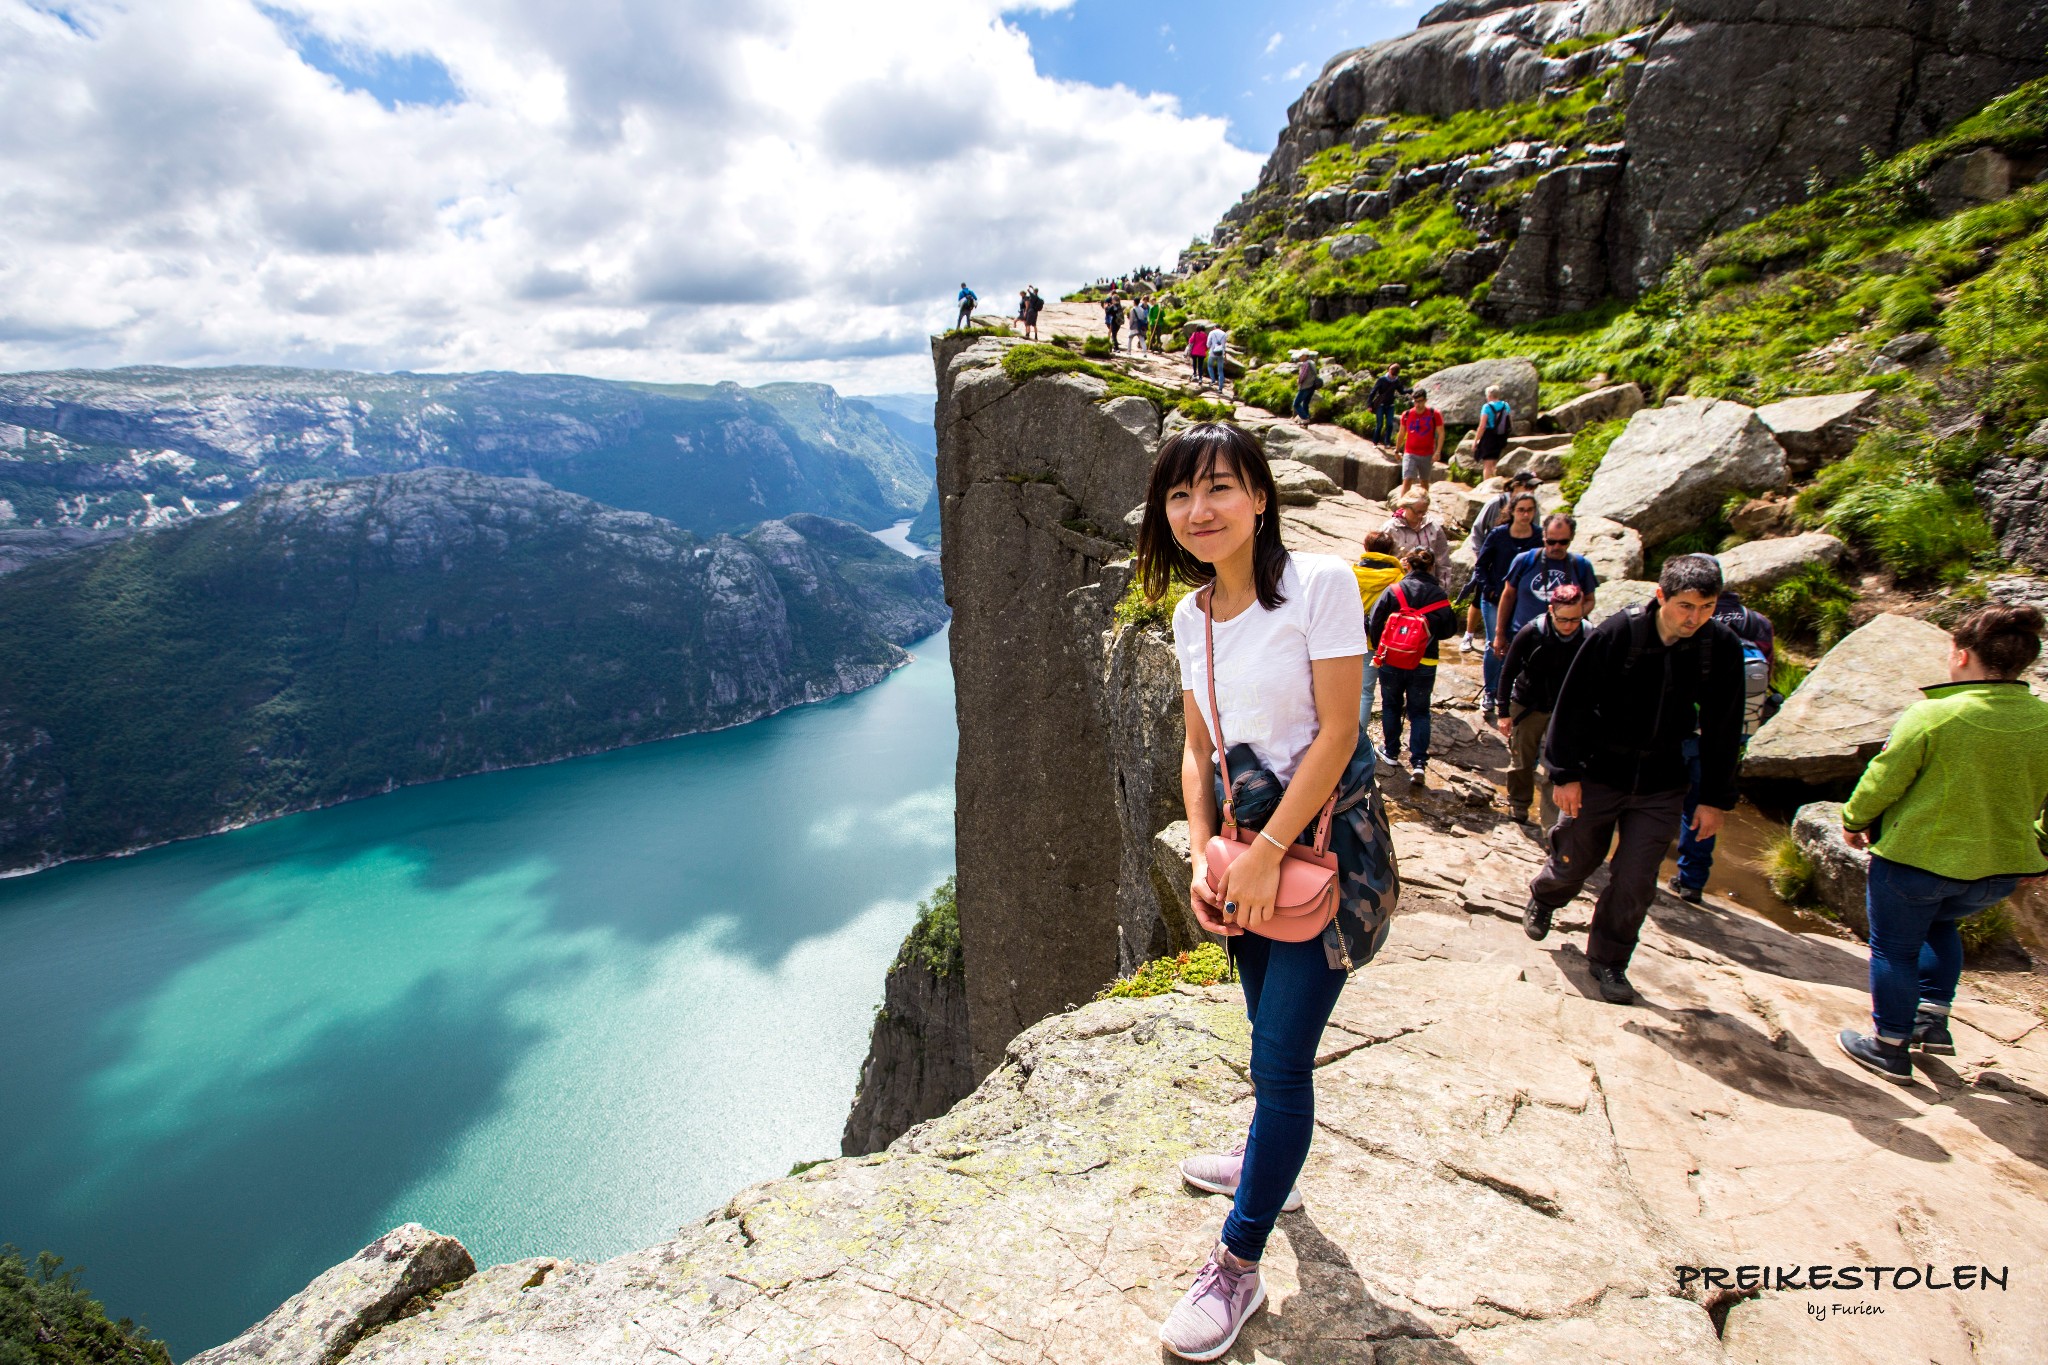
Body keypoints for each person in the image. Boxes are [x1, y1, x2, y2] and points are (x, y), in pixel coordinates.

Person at [1133, 422, 1393, 1362]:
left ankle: (1238, 1260)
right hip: (1244, 861)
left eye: (1218, 488)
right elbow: (1198, 750)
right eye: (1178, 496)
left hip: (1325, 853)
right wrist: (1207, 848)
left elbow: (1337, 735)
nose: (1198, 510)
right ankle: (1260, 1161)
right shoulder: (1190, 616)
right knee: (1260, 1032)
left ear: (1260, 496)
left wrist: (1266, 850)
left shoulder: (1318, 587)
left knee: (1282, 1059)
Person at [1833, 605, 2048, 1082]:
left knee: (1893, 949)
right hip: (1994, 876)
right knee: (1940, 927)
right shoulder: (2044, 721)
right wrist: (2043, 846)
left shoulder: (1934, 715)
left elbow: (1883, 780)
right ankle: (1932, 1024)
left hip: (1916, 864)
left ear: (1963, 655)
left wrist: (1853, 820)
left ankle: (1889, 1046)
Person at [1522, 554, 1747, 1004]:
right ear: (1660, 595)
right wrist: (1564, 774)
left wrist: (1715, 799)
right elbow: (1574, 704)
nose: (1695, 618)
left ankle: (1609, 960)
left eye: (1706, 608)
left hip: (1663, 782)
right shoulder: (1618, 633)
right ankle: (1546, 896)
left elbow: (1726, 726)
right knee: (1578, 856)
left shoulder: (1718, 646)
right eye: (1686, 606)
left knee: (1636, 878)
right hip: (1599, 772)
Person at [1667, 586, 1778, 903]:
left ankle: (1645, 859)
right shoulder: (1759, 623)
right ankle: (1692, 881)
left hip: (1690, 725)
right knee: (1704, 802)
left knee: (1664, 792)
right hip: (1734, 730)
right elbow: (1768, 670)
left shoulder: (1697, 617)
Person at [1494, 582, 1589, 825]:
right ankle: (1519, 804)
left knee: (1553, 769)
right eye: (1563, 619)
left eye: (1575, 620)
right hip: (1527, 706)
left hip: (1565, 713)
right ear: (1551, 610)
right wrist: (1503, 712)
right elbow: (1508, 671)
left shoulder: (1588, 635)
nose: (1569, 626)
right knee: (1522, 762)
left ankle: (1551, 826)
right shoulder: (1531, 632)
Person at [1368, 547, 1459, 785]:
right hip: (1424, 661)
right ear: (1431, 567)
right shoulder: (1439, 595)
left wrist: (1383, 648)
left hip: (1392, 659)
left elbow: (1374, 620)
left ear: (1407, 564)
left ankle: (1391, 752)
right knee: (1420, 711)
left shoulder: (1395, 590)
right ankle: (1418, 763)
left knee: (1391, 705)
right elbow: (1449, 630)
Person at [1468, 490, 1542, 723]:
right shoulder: (1499, 535)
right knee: (1495, 645)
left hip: (1523, 601)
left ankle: (1510, 689)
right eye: (1521, 510)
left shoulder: (1539, 537)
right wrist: (1488, 589)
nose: (1526, 514)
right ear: (1512, 511)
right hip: (1494, 599)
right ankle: (1491, 692)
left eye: (1530, 510)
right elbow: (1481, 565)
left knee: (1519, 646)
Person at [1459, 470, 1541, 652]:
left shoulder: (1533, 508)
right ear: (1515, 485)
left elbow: (1536, 532)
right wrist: (1481, 556)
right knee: (1480, 597)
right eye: (1528, 486)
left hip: (1519, 567)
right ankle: (1469, 634)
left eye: (1534, 487)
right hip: (1492, 560)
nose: (1531, 490)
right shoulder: (1496, 503)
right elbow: (1478, 529)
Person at [1493, 514, 1598, 648]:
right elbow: (1508, 596)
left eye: (1563, 542)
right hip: (1525, 637)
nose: (1556, 547)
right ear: (1543, 536)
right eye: (1551, 541)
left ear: (1571, 538)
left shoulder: (1581, 565)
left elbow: (1590, 600)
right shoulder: (1524, 560)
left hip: (1567, 640)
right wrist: (1499, 634)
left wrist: (1570, 617)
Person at [1352, 530, 1404, 728]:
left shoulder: (1353, 572)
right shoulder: (1398, 576)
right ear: (1390, 550)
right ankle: (1378, 742)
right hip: (1387, 640)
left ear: (1366, 548)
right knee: (1380, 693)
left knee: (1360, 691)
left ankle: (1356, 740)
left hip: (1359, 637)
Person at [1381, 491, 1450, 567]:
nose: (1420, 516)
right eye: (1417, 512)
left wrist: (1442, 579)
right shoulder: (1389, 528)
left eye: (1424, 512)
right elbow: (1378, 560)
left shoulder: (1434, 528)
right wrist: (1397, 565)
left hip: (1427, 578)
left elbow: (1443, 562)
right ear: (1405, 506)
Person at [1398, 388, 1443, 496]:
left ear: (1425, 400)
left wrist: (1438, 451)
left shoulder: (1434, 414)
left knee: (1424, 482)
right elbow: (1402, 433)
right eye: (1415, 401)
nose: (1418, 404)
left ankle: (1423, 509)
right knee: (1407, 479)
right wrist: (1397, 449)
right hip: (1410, 452)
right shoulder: (1407, 414)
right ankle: (1402, 508)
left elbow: (1441, 433)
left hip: (1427, 453)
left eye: (1420, 401)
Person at [1475, 385, 1514, 482]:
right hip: (1501, 436)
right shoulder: (1505, 405)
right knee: (1494, 463)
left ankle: (1486, 488)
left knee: (1487, 465)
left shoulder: (1486, 407)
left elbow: (1482, 425)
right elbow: (1509, 421)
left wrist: (1476, 440)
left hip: (1489, 436)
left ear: (1489, 395)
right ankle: (1495, 484)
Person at [1367, 363, 1405, 446]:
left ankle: (1387, 442)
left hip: (1390, 405)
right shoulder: (1382, 379)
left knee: (1390, 424)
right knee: (1379, 424)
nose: (1390, 371)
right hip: (1381, 404)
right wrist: (1369, 404)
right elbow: (1373, 392)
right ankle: (1375, 442)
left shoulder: (1397, 381)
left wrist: (1412, 390)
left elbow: (1401, 391)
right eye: (1390, 369)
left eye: (1392, 371)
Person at [1293, 356, 1320, 422]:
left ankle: (1305, 418)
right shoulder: (1312, 363)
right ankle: (1305, 423)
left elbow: (1302, 376)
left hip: (1305, 386)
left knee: (1296, 404)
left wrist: (1298, 381)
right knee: (1305, 403)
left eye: (1301, 356)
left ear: (1305, 356)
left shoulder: (1305, 364)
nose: (1299, 357)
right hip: (1312, 386)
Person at [1207, 323, 1231, 392]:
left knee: (1210, 366)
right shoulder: (1224, 334)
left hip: (1212, 353)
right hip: (1220, 353)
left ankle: (1213, 380)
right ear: (1220, 327)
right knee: (1220, 371)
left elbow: (1208, 344)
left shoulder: (1212, 333)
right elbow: (1224, 345)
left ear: (1214, 327)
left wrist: (1211, 346)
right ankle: (1220, 388)